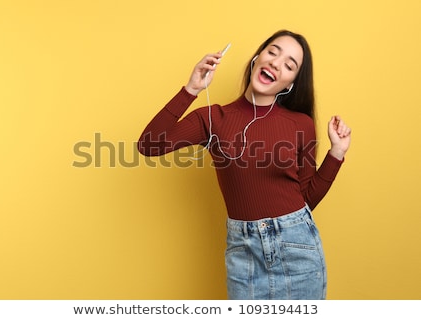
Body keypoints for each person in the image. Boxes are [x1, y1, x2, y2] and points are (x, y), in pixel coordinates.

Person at [137, 29, 351, 300]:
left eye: (289, 65)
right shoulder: (213, 118)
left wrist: (336, 154)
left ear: (289, 84)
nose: (276, 62)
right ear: (256, 59)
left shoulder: (301, 125)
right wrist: (191, 89)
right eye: (272, 52)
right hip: (243, 252)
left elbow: (307, 198)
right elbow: (148, 145)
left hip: (297, 248)